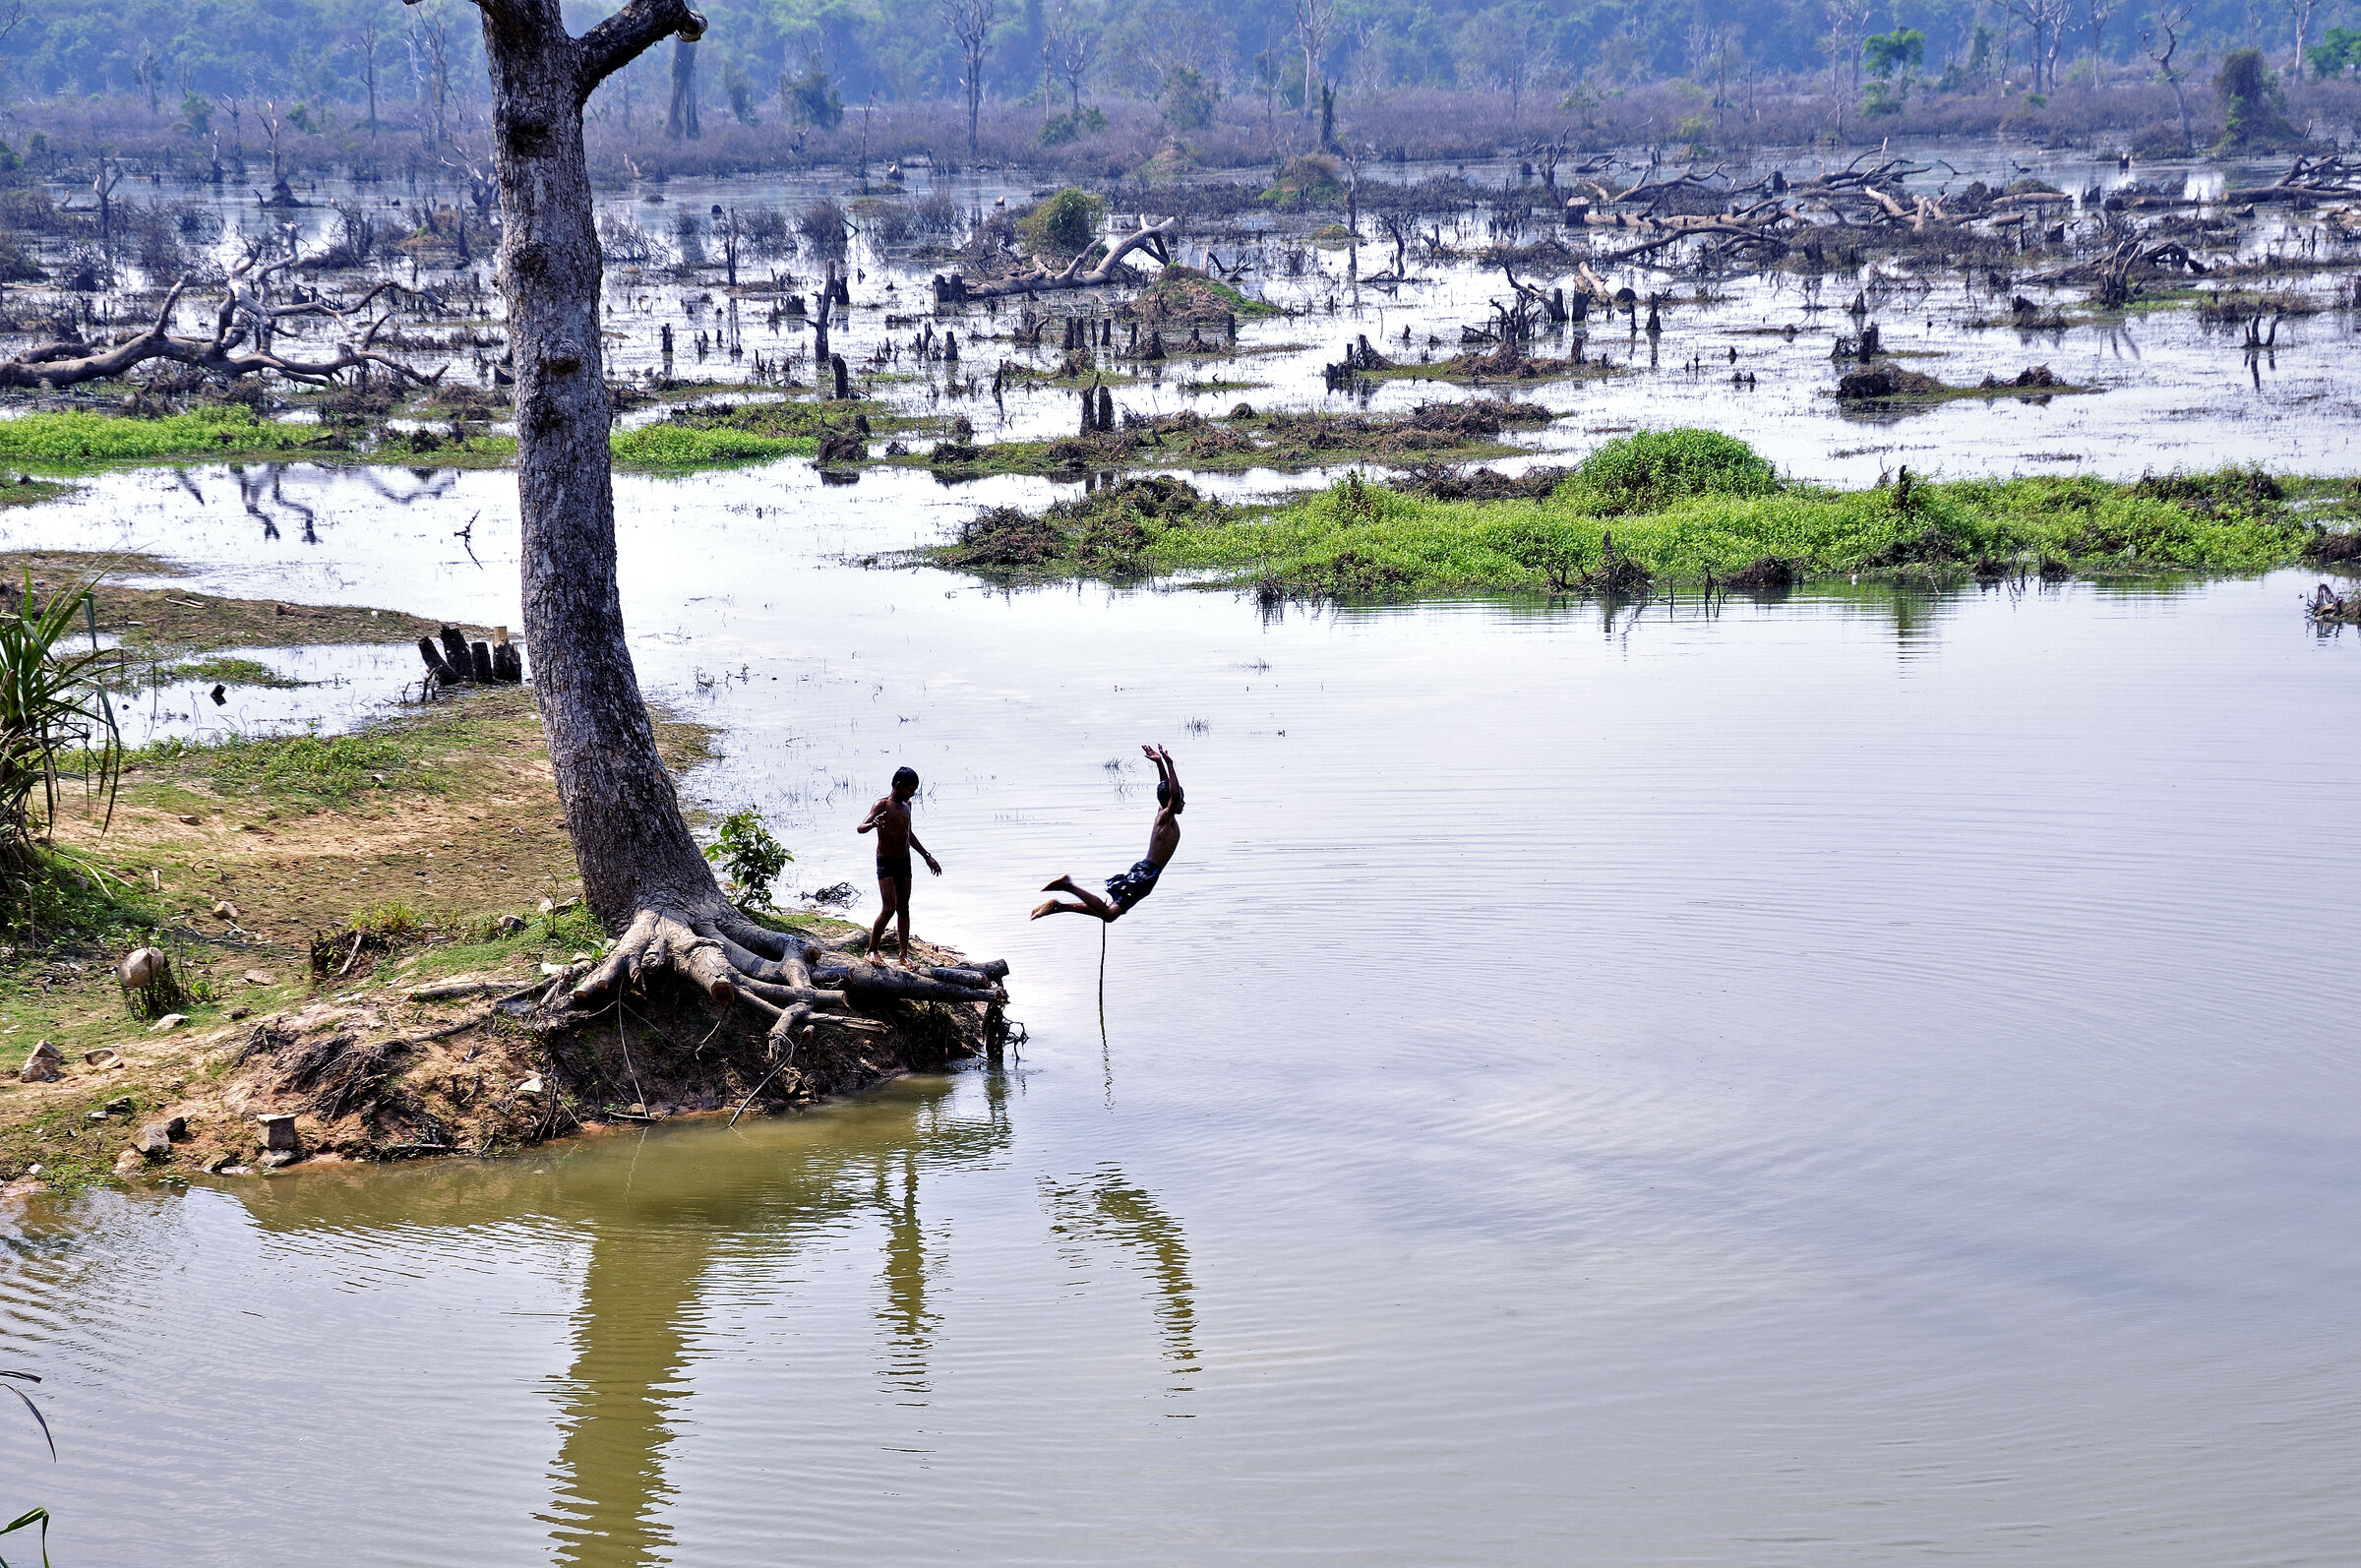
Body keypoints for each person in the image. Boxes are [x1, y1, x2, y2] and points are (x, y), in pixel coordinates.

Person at [1033, 745, 1183, 922]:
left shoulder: (1164, 815)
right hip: (1146, 875)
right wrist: (1169, 765)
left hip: (1146, 873)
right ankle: (1068, 886)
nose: (1184, 803)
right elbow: (1172, 795)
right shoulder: (1165, 818)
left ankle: (1060, 907)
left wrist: (1159, 764)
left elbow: (1165, 791)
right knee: (1110, 915)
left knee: (1110, 910)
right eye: (1182, 799)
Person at [858, 766, 940, 964]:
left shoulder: (907, 806)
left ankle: (903, 955)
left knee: (904, 907)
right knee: (889, 907)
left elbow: (908, 834)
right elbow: (860, 828)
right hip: (885, 861)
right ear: (898, 785)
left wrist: (927, 856)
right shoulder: (882, 805)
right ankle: (871, 950)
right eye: (910, 790)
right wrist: (873, 824)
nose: (912, 794)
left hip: (904, 861)